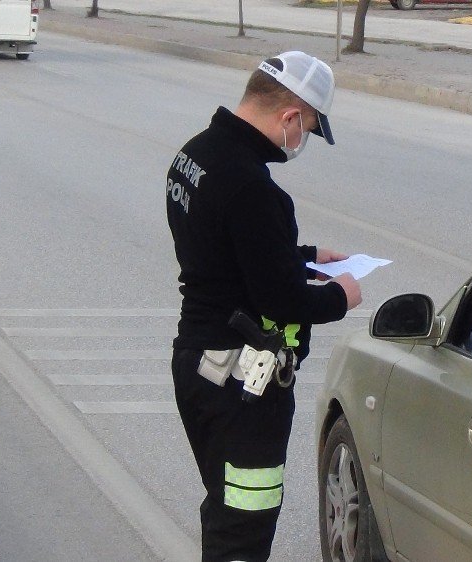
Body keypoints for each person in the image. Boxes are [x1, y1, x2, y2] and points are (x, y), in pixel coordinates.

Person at [166, 50, 362, 561]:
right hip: (241, 386)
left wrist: (300, 255)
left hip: (197, 362)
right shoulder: (253, 187)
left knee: (223, 505)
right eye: (309, 129)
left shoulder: (196, 154)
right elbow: (282, 299)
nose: (301, 142)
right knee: (244, 527)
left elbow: (224, 249)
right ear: (290, 116)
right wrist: (341, 295)